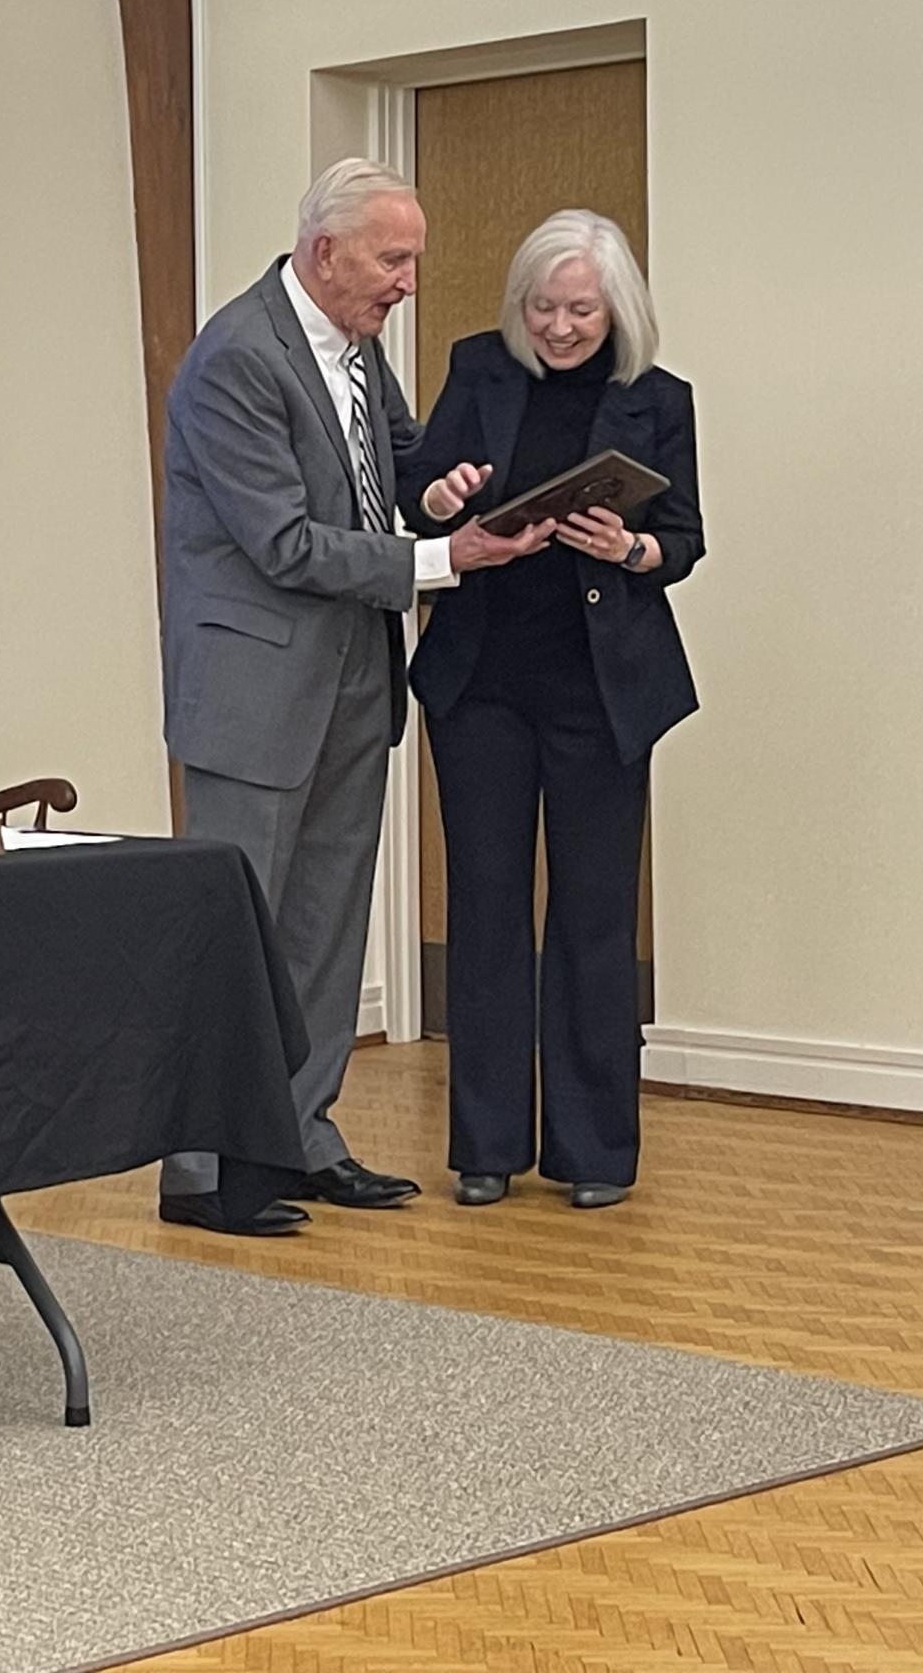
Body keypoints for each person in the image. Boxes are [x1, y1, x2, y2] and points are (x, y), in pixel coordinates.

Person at [158, 158, 552, 1236]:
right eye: (393, 258)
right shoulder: (237, 358)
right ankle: (200, 1168)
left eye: (412, 258)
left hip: (348, 683)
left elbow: (396, 465)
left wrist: (442, 490)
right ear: (324, 252)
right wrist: (444, 560)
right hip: (252, 695)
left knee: (326, 931)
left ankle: (298, 1135)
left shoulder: (359, 351)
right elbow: (284, 541)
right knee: (234, 933)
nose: (408, 281)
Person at [399, 209, 705, 1210]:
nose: (561, 327)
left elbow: (684, 541)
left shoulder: (657, 399)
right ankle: (485, 1149)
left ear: (616, 309)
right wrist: (444, 501)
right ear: (518, 302)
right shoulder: (477, 367)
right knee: (485, 913)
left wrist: (629, 549)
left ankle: (594, 1153)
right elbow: (420, 499)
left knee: (592, 918)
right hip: (482, 685)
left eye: (581, 309)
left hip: (599, 693)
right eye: (544, 306)